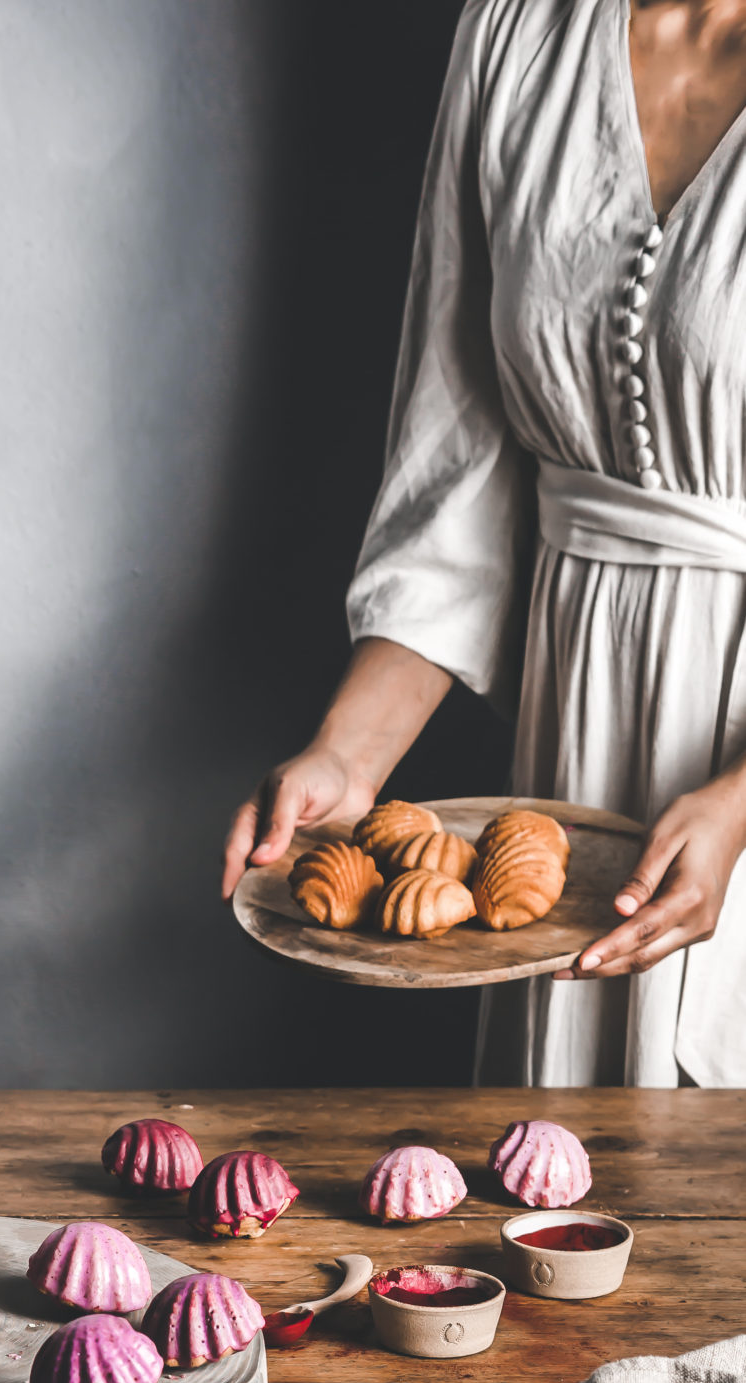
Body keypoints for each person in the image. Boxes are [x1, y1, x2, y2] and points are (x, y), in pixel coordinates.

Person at [223, 0, 746, 1086]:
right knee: (562, 1179)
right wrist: (348, 754)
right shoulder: (516, 34)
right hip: (575, 727)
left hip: (734, 757)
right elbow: (454, 480)